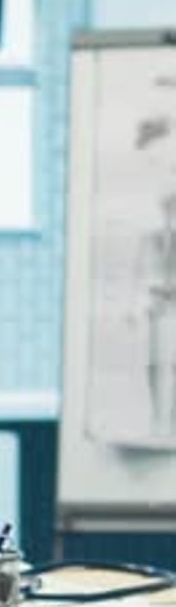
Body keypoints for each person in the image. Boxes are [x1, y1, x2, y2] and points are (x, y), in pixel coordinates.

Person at [128, 116, 176, 437]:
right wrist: (138, 298)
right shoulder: (153, 218)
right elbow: (147, 252)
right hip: (162, 295)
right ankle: (161, 423)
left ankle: (165, 423)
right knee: (159, 361)